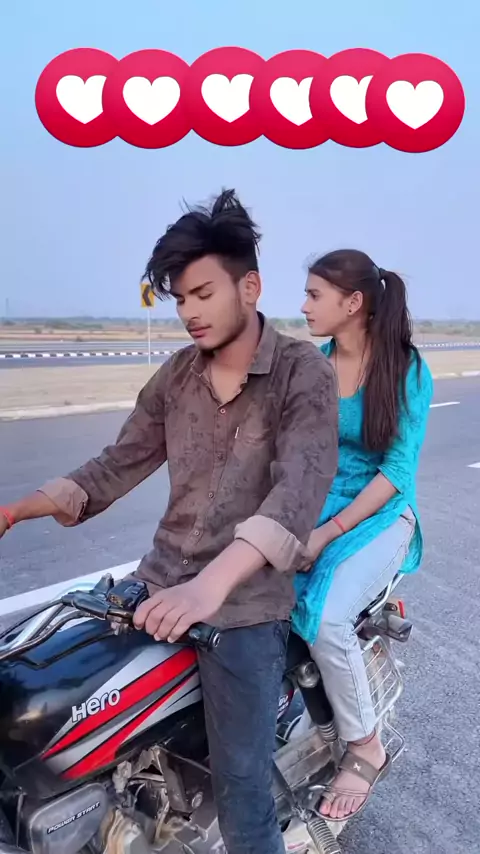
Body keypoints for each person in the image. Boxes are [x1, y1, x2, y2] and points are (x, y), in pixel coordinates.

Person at [0, 190, 339, 854]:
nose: (188, 312)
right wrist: (16, 509)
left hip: (244, 607)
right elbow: (115, 464)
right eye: (180, 298)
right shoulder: (178, 376)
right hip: (157, 584)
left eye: (202, 294)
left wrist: (209, 587)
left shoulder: (302, 373)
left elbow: (296, 493)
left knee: (242, 794)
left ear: (250, 287)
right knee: (39, 700)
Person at [293, 248, 433, 822]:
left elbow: (396, 471)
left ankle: (365, 745)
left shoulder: (406, 370)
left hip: (381, 514)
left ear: (352, 303)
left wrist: (326, 533)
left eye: (314, 295)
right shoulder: (313, 366)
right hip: (318, 505)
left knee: (326, 618)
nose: (303, 306)